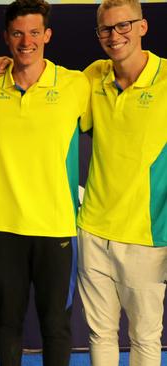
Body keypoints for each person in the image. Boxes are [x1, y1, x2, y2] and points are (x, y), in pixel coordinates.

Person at [0, 1, 90, 365]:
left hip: (54, 225)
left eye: (34, 32)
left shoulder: (75, 84)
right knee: (7, 320)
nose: (27, 41)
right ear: (6, 38)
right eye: (18, 33)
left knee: (55, 323)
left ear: (48, 35)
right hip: (2, 226)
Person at [76, 0, 166, 364]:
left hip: (147, 236)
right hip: (93, 229)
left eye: (124, 26)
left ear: (143, 27)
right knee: (100, 334)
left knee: (145, 337)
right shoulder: (93, 76)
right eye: (106, 29)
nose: (115, 36)